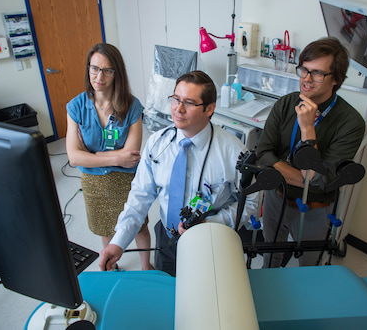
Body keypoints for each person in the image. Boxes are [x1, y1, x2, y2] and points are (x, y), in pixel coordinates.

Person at [99, 70, 259, 276]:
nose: (178, 109)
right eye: (176, 99)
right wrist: (118, 242)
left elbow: (252, 203)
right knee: (169, 290)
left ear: (209, 108)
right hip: (168, 238)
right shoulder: (156, 144)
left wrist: (212, 223)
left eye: (189, 103)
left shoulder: (234, 152)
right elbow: (140, 196)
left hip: (212, 241)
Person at [257, 37, 365, 267]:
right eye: (304, 69)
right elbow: (263, 153)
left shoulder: (351, 122)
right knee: (270, 254)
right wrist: (305, 178)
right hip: (278, 197)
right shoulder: (285, 104)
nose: (306, 79)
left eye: (317, 73)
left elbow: (324, 182)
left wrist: (308, 130)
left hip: (316, 208)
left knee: (308, 264)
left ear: (336, 79)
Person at [66, 42, 153, 270]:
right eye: (94, 68)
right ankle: (111, 268)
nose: (99, 76)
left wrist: (92, 155)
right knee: (106, 229)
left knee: (139, 227)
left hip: (125, 181)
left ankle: (146, 267)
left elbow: (132, 156)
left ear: (117, 73)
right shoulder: (76, 107)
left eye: (107, 70)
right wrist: (116, 158)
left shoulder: (132, 106)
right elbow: (74, 158)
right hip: (94, 183)